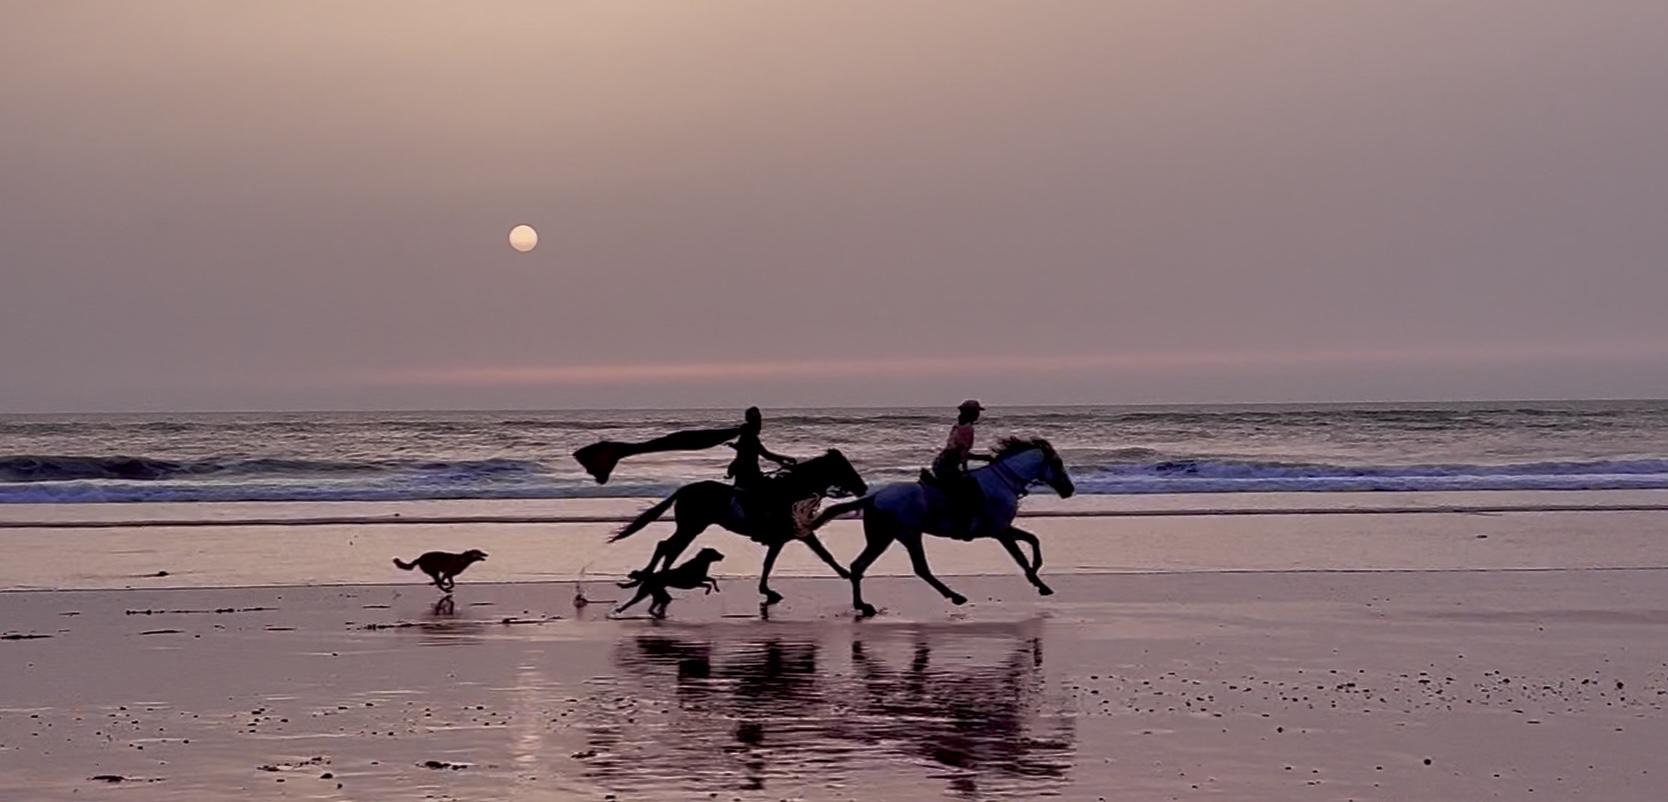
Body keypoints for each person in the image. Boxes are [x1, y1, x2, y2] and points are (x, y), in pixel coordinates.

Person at [573, 406, 790, 485]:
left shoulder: (744, 435)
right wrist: (785, 460)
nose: (760, 423)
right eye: (757, 419)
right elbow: (764, 455)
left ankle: (614, 452)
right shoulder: (748, 435)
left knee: (656, 445)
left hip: (743, 472)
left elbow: (746, 455)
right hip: (748, 477)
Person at [930, 400, 991, 537]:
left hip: (941, 463)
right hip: (948, 465)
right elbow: (962, 453)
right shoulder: (967, 429)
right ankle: (963, 524)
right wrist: (966, 469)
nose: (978, 415)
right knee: (971, 489)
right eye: (976, 412)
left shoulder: (957, 426)